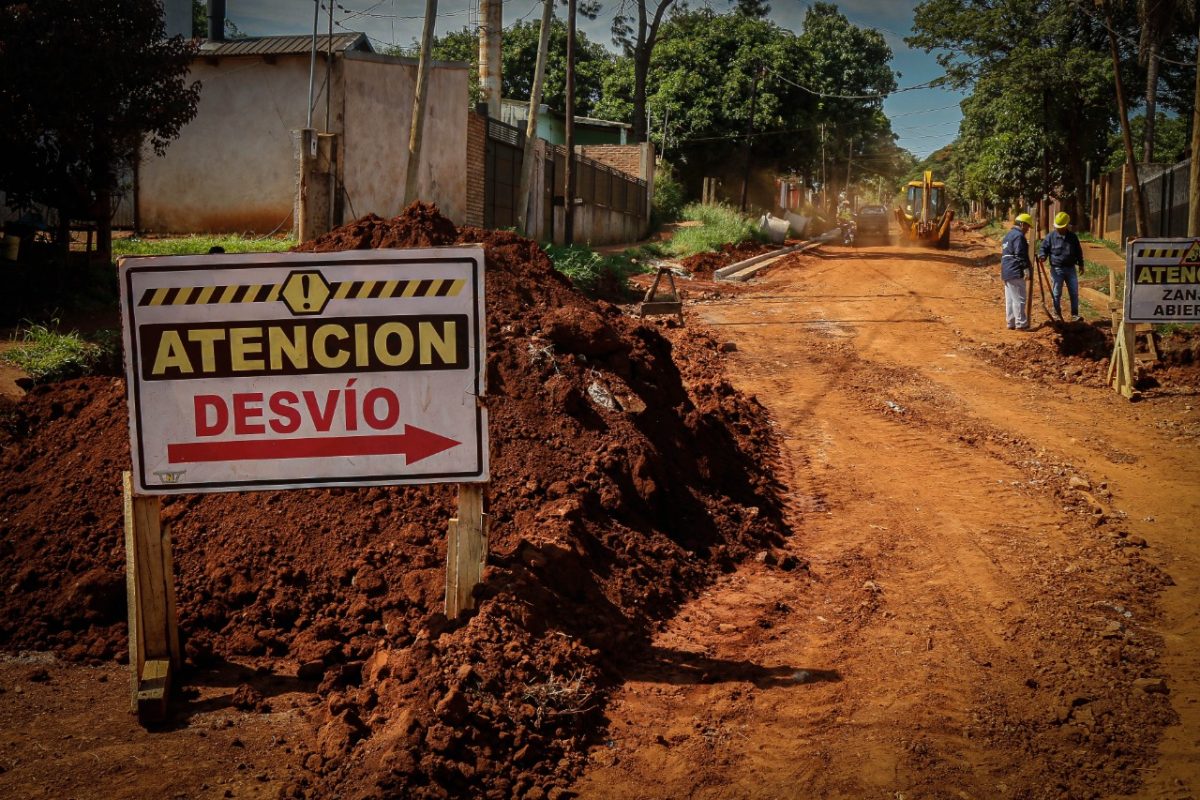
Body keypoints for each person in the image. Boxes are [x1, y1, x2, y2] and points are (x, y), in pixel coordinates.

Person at [1038, 211, 1085, 322]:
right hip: (1057, 269)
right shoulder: (1050, 237)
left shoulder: (1073, 237)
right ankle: (1056, 314)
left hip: (1070, 268)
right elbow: (1043, 248)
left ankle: (1074, 315)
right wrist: (1043, 256)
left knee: (1074, 292)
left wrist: (1081, 264)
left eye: (1061, 227)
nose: (1059, 229)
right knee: (1057, 292)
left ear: (1066, 225)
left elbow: (1078, 251)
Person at [1001, 213, 1033, 330]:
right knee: (1019, 298)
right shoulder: (1019, 236)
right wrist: (1025, 268)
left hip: (1006, 270)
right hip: (1015, 269)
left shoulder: (1008, 235)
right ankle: (1021, 324)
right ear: (1022, 224)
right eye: (1027, 227)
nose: (1028, 230)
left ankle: (1011, 322)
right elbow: (1020, 253)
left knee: (1010, 299)